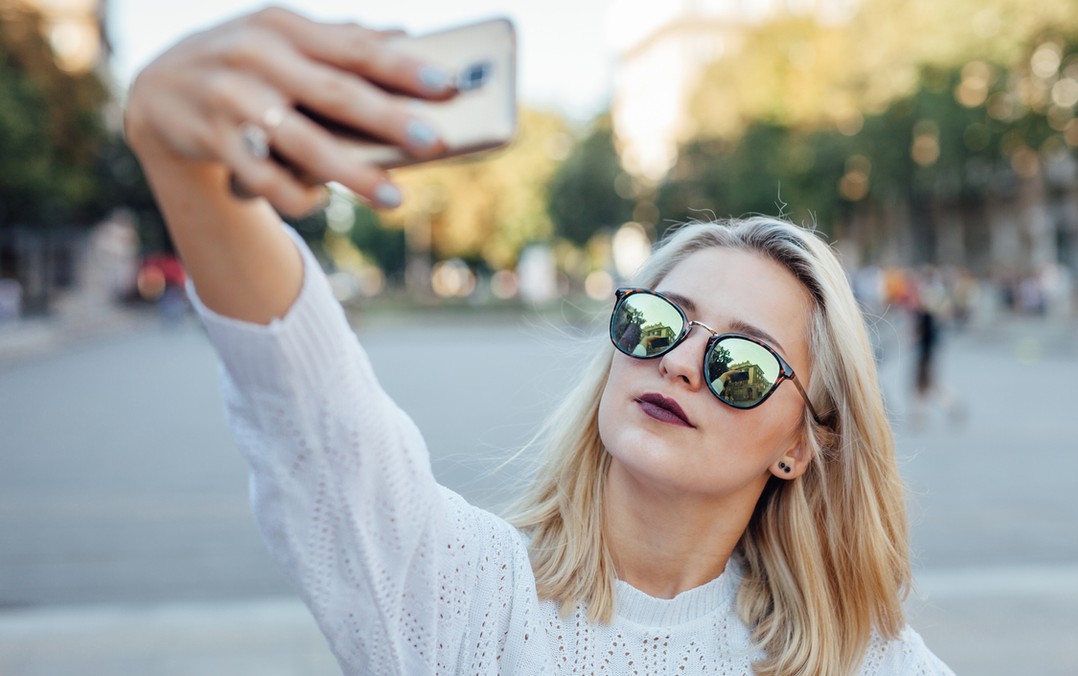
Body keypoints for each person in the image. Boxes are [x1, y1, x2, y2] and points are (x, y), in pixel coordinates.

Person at [124, 8, 953, 675]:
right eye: (658, 320)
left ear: (800, 447)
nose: (676, 361)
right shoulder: (461, 591)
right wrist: (184, 161)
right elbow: (309, 408)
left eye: (739, 363)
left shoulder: (869, 662)